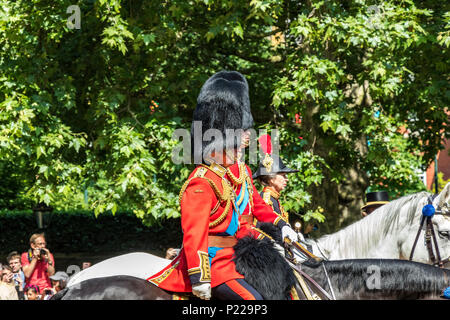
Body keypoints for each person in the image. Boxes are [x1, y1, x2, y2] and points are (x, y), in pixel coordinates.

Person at [147, 71, 299, 301]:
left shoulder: (228, 174)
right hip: (214, 263)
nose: (244, 143)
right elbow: (195, 233)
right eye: (237, 140)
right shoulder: (202, 181)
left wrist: (280, 227)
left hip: (234, 257)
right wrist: (200, 276)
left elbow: (251, 212)